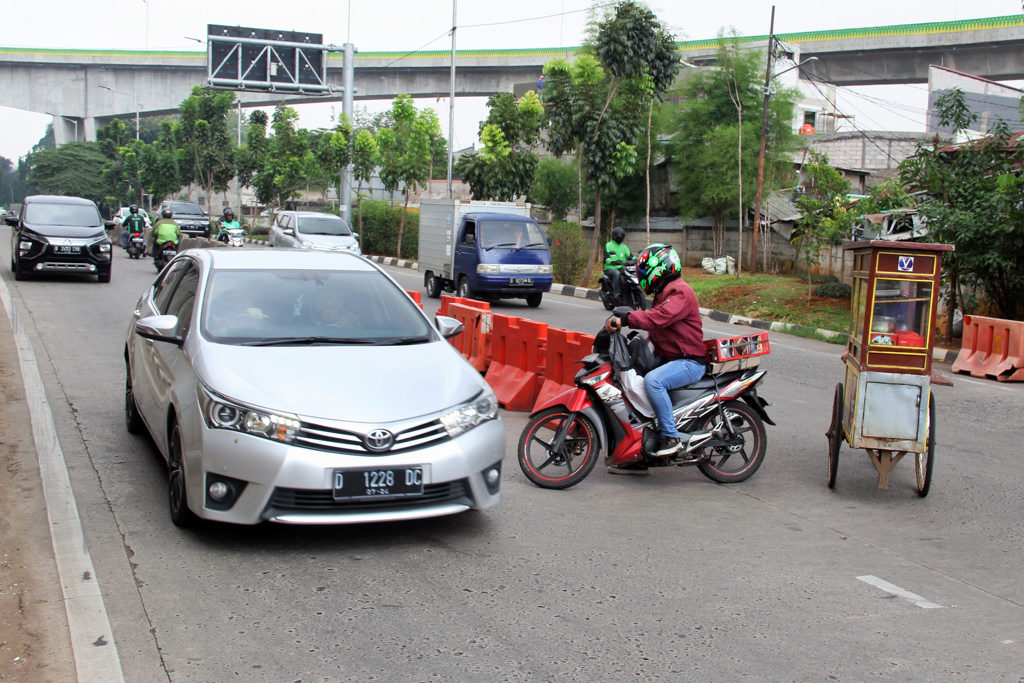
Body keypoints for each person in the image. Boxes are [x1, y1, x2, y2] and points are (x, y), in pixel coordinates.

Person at [604, 243, 705, 466]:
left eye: (644, 271)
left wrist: (628, 318)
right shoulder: (665, 292)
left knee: (653, 381)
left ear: (659, 268)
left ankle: (670, 437)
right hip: (671, 357)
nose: (642, 276)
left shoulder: (680, 291)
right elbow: (656, 328)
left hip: (688, 361)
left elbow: (658, 318)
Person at [603, 227, 631, 303]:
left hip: (621, 267)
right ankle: (616, 293)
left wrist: (639, 259)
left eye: (621, 236)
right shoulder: (609, 245)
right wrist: (613, 261)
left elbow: (630, 256)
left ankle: (628, 291)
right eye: (618, 236)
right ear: (614, 236)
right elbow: (606, 258)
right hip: (609, 268)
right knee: (617, 273)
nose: (620, 237)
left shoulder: (624, 247)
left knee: (629, 273)